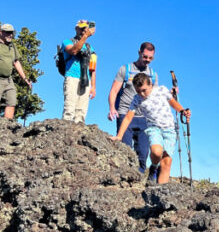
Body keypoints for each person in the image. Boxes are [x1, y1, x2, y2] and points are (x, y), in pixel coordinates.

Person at [111, 73, 190, 185]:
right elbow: (128, 118)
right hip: (154, 128)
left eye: (144, 90)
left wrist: (183, 111)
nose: (142, 94)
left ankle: (161, 191)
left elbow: (173, 103)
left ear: (151, 84)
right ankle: (153, 167)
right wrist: (119, 136)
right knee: (157, 152)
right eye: (138, 91)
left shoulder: (162, 90)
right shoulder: (137, 99)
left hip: (170, 129)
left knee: (167, 161)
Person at [107, 42, 157, 171]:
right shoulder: (126, 69)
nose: (147, 60)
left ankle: (139, 181)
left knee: (143, 154)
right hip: (125, 114)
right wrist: (112, 108)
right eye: (145, 57)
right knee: (125, 150)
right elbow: (114, 91)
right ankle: (125, 179)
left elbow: (156, 97)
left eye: (150, 58)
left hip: (144, 118)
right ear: (139, 53)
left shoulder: (153, 75)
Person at [0, 24, 32, 121]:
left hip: (8, 79)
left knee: (11, 102)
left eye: (11, 33)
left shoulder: (12, 46)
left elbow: (16, 62)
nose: (10, 35)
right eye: (8, 32)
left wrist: (25, 78)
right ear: (1, 32)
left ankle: (6, 127)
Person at [61, 20, 97, 123]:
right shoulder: (67, 42)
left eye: (85, 29)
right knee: (69, 110)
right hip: (72, 77)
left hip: (86, 80)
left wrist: (93, 86)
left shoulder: (90, 48)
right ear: (76, 29)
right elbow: (73, 50)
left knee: (81, 113)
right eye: (81, 28)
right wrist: (85, 36)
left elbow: (93, 68)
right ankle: (64, 132)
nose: (83, 31)